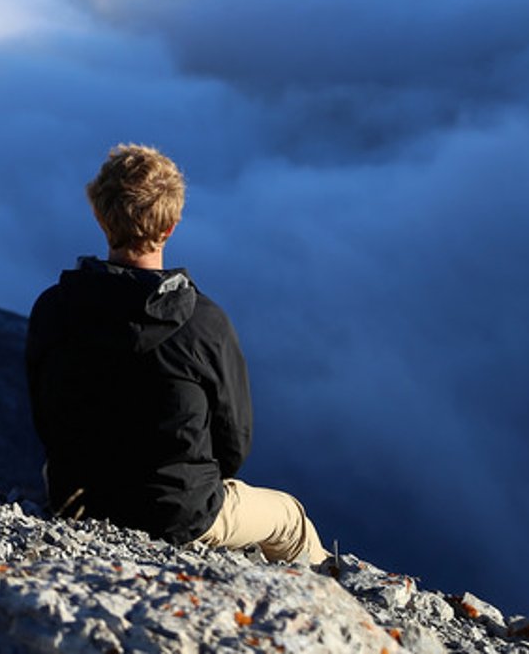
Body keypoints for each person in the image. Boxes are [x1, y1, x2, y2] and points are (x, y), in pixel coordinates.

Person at [24, 143, 327, 564]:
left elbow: (44, 414)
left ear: (99, 215)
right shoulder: (204, 324)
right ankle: (339, 613)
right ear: (171, 226)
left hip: (76, 500)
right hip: (178, 512)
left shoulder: (53, 308)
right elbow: (234, 445)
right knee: (290, 520)